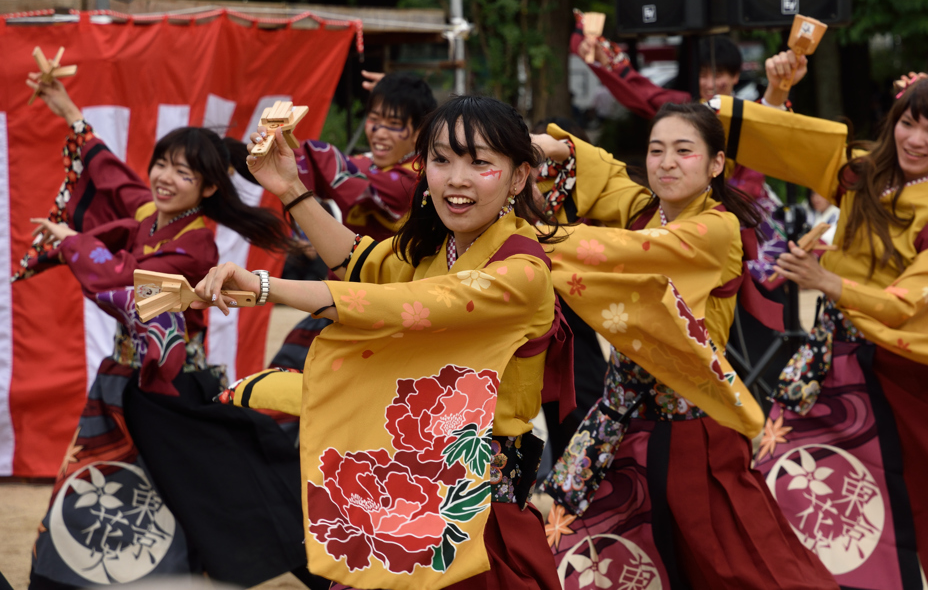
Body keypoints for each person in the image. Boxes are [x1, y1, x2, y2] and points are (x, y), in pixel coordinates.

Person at [198, 95, 568, 590]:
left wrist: (267, 286)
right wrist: (289, 187)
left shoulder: (522, 274)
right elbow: (359, 261)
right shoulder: (440, 248)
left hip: (478, 513)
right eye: (441, 160)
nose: (456, 179)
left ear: (519, 176)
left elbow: (406, 306)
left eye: (479, 162)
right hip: (410, 496)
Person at [720, 77, 928, 590]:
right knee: (788, 469)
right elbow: (786, 141)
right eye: (909, 123)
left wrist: (826, 278)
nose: (916, 139)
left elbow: (904, 303)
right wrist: (769, 93)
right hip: (833, 355)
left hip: (913, 360)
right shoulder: (859, 169)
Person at [23, 77, 321, 590]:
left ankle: (323, 570)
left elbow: (125, 284)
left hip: (172, 390)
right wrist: (68, 107)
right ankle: (61, 579)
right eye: (161, 164)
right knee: (102, 479)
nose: (164, 178)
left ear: (207, 189)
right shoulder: (148, 212)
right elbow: (110, 173)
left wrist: (74, 243)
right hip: (125, 384)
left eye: (181, 173)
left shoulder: (195, 245)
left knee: (230, 487)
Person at [531, 104, 838, 589]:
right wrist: (557, 148)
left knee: (741, 567)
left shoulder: (715, 230)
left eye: (684, 151)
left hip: (695, 433)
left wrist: (523, 240)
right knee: (614, 559)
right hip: (625, 428)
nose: (667, 162)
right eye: (656, 150)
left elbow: (626, 252)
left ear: (716, 164)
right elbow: (607, 176)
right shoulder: (646, 211)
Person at [293, 72, 437, 241]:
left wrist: (283, 148)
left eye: (394, 124)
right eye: (374, 119)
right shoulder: (371, 163)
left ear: (419, 133)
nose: (379, 133)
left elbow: (332, 165)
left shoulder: (413, 179)